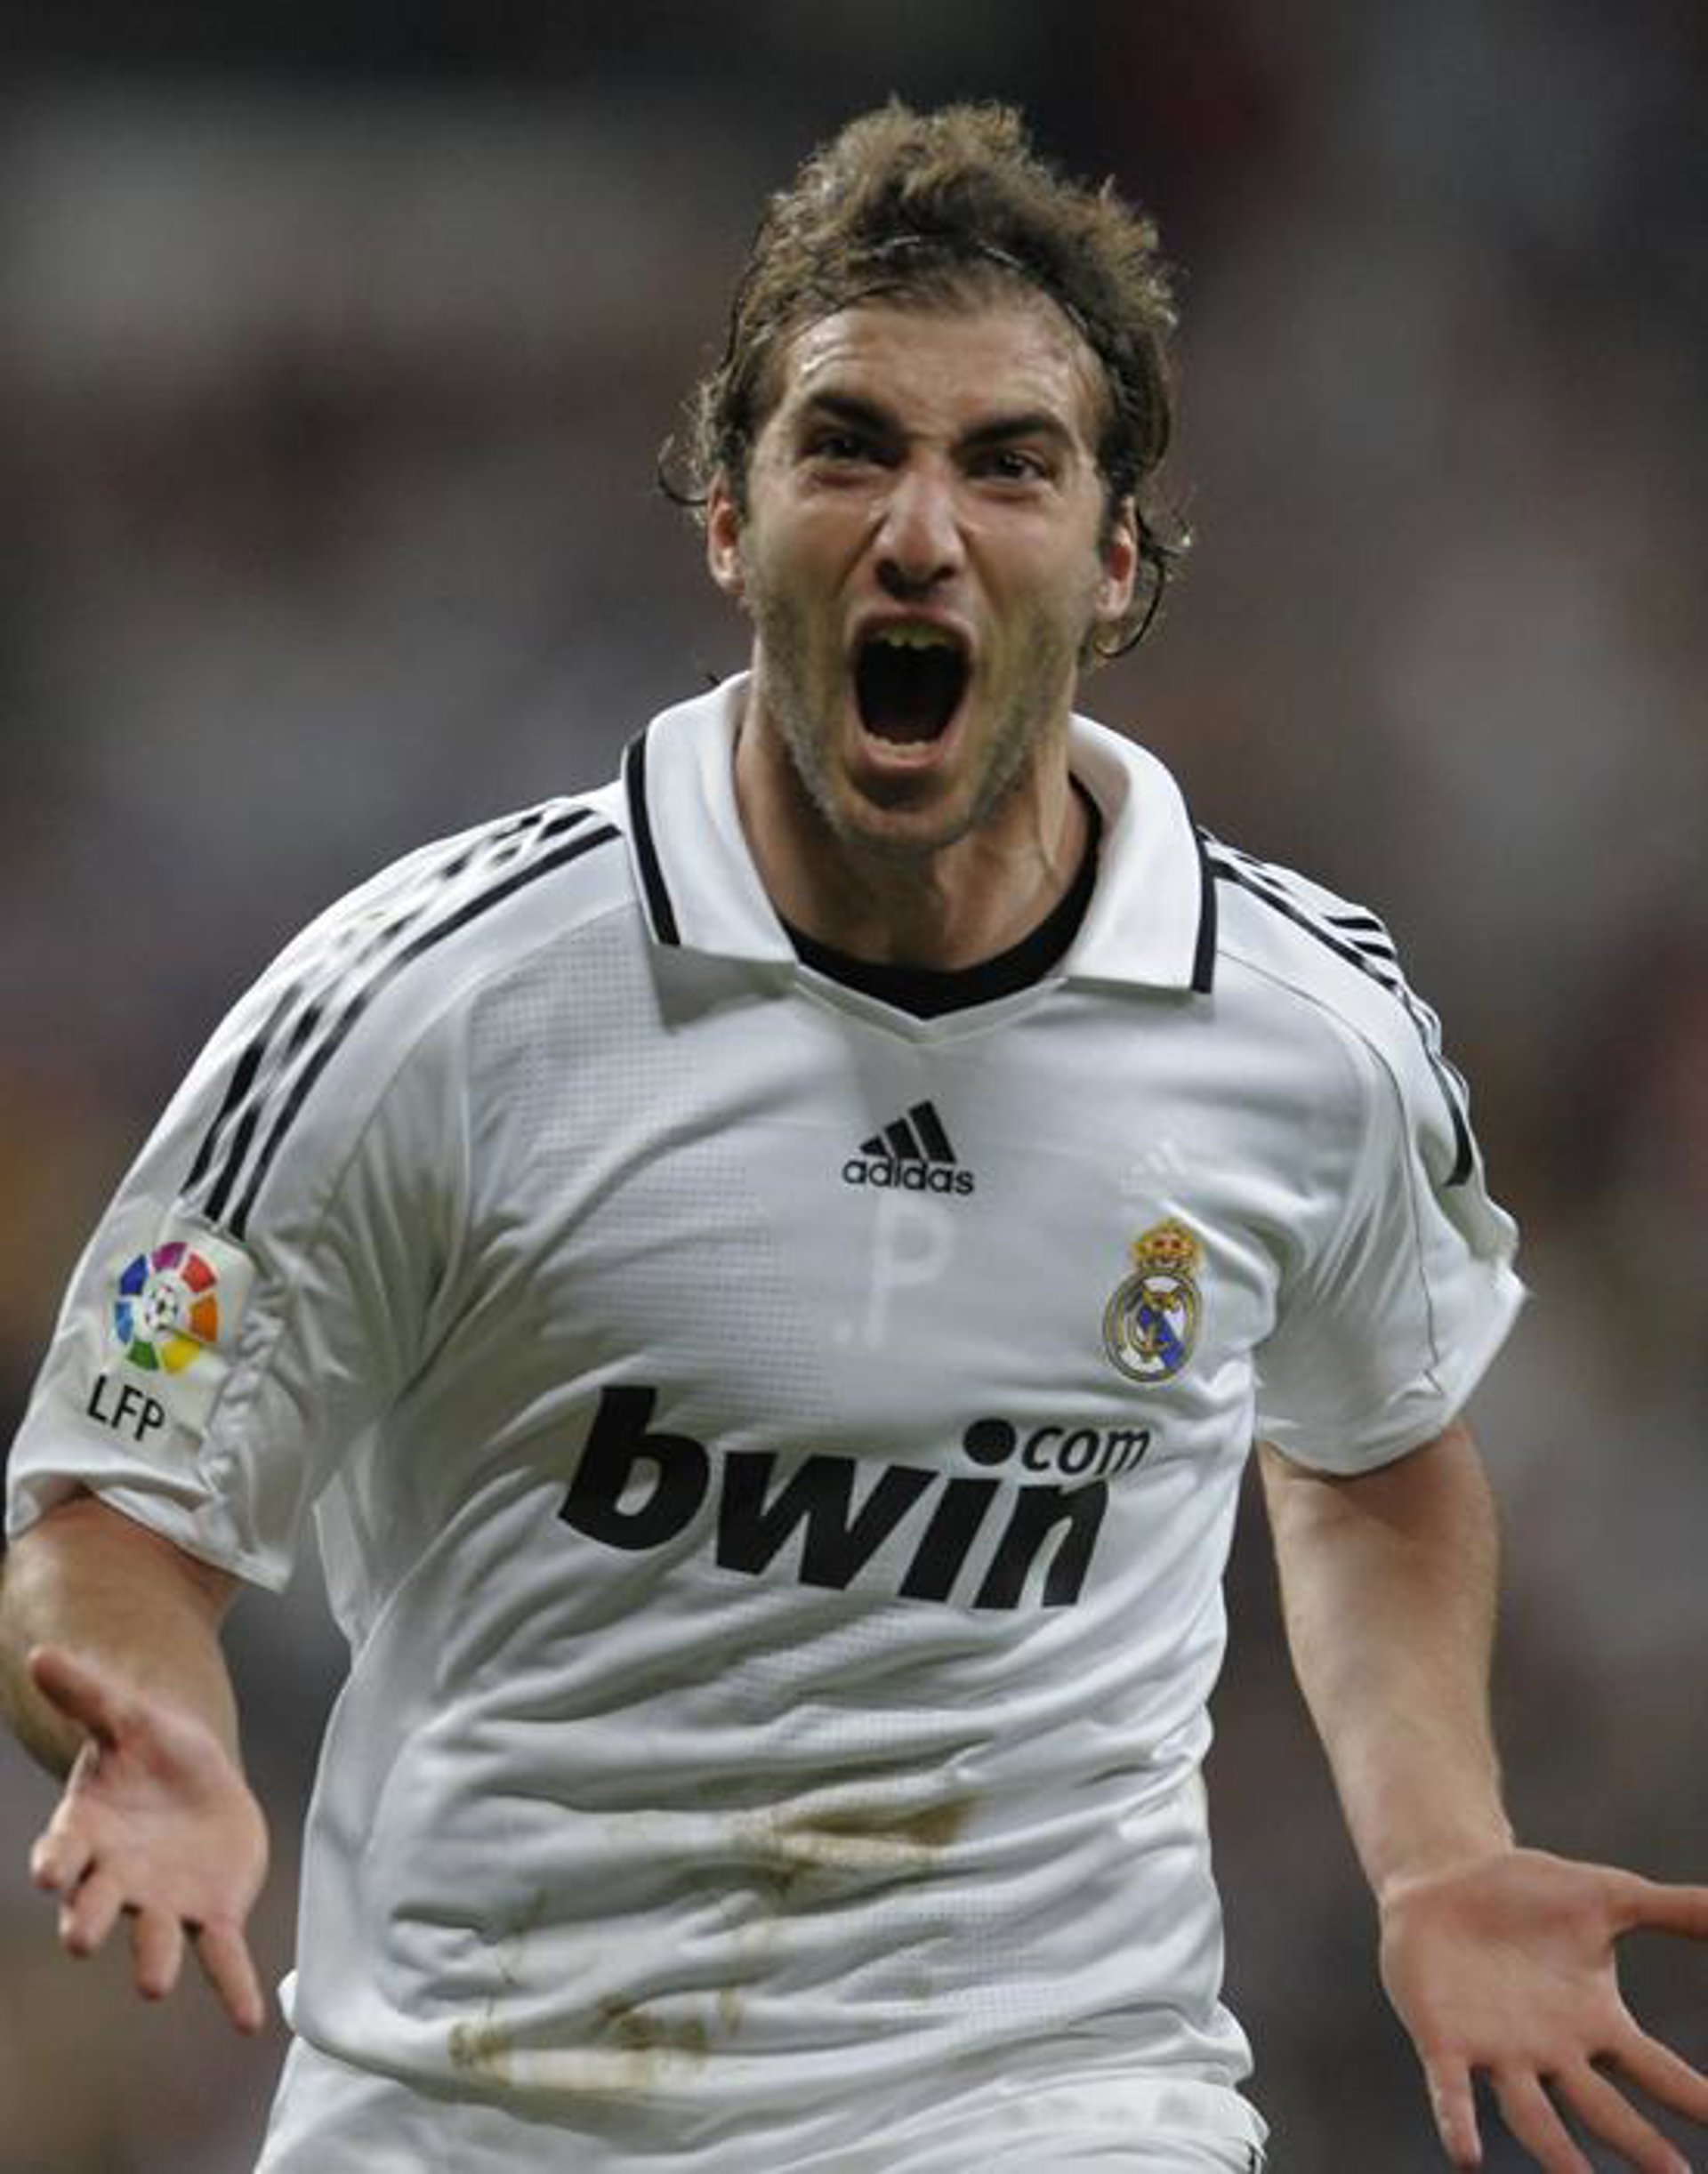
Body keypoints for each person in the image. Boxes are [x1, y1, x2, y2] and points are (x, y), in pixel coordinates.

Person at [1, 99, 1703, 2174]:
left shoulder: (1307, 1030)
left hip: (1056, 2102)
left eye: (1010, 463)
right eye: (848, 446)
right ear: (728, 521)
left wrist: (1438, 1850)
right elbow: (115, 1513)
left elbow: (1378, 1451)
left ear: (1118, 563)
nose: (923, 528)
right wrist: (150, 1726)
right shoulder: (418, 1006)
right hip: (484, 2117)